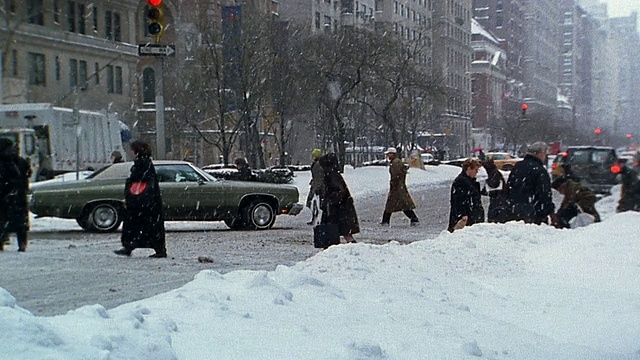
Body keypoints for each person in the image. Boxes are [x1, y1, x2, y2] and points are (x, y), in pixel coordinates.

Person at [114, 140, 167, 258]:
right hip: (147, 202)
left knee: (135, 224)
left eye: (132, 150)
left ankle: (130, 246)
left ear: (137, 151)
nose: (131, 152)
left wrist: (130, 190)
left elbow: (138, 179)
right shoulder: (145, 162)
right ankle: (155, 248)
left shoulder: (142, 163)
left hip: (142, 202)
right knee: (149, 226)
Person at [505, 142, 555, 225]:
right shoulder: (540, 170)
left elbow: (509, 186)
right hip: (534, 212)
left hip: (514, 210)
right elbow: (544, 194)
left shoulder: (518, 166)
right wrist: (549, 211)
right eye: (545, 154)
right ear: (541, 153)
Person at [319, 153, 359, 244]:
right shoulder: (333, 173)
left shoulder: (331, 175)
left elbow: (339, 191)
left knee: (335, 227)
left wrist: (330, 200)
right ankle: (334, 245)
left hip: (338, 208)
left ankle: (330, 245)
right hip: (340, 207)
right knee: (342, 229)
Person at [0, 138, 31, 252]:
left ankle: (3, 241)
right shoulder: (19, 161)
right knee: (19, 223)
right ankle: (22, 244)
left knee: (4, 221)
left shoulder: (8, 161)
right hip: (17, 196)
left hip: (6, 197)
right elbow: (27, 173)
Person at [380, 147, 420, 226]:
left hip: (397, 188)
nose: (387, 156)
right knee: (402, 205)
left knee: (393, 205)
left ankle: (385, 221)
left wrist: (394, 183)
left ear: (393, 154)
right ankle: (413, 219)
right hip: (398, 187)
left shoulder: (395, 162)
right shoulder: (396, 162)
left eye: (389, 154)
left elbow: (396, 175)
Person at [448, 158, 485, 232]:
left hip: (472, 216)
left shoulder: (470, 181)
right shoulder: (461, 182)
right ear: (469, 169)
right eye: (475, 170)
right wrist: (463, 214)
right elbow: (458, 200)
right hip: (466, 218)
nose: (477, 172)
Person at [481, 159, 508, 223]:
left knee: (494, 215)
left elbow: (493, 185)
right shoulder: (496, 172)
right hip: (500, 199)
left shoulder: (491, 173)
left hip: (496, 200)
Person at [306, 149, 325, 225]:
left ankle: (317, 219)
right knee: (316, 203)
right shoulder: (320, 164)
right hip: (318, 186)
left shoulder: (318, 165)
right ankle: (316, 218)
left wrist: (315, 188)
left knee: (314, 203)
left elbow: (318, 177)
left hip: (317, 187)